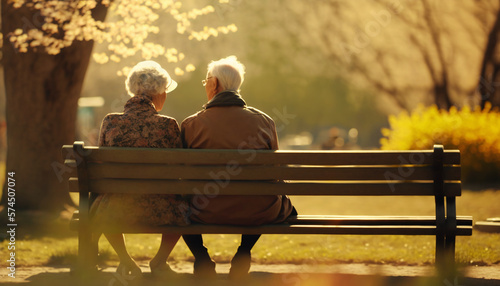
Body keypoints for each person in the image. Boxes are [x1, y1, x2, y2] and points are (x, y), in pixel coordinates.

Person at [180, 56, 296, 278]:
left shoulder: (191, 124)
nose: (206, 86)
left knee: (179, 203)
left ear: (214, 84)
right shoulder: (265, 121)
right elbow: (275, 172)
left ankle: (202, 258)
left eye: (206, 82)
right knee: (267, 196)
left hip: (205, 211)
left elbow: (183, 175)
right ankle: (244, 252)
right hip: (258, 210)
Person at [90, 61, 189, 277]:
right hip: (164, 209)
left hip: (115, 208)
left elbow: (101, 168)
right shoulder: (169, 125)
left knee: (103, 205)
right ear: (159, 93)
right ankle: (160, 261)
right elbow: (180, 170)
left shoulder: (110, 122)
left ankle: (126, 261)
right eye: (165, 92)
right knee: (186, 207)